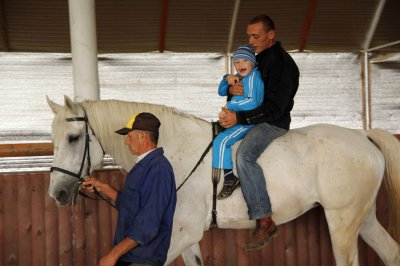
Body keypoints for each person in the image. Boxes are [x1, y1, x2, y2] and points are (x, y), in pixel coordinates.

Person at [219, 15, 299, 251]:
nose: (251, 40)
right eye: (249, 36)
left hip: (272, 122)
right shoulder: (255, 60)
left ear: (271, 34)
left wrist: (239, 117)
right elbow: (242, 93)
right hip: (250, 118)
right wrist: (232, 90)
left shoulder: (282, 64)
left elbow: (276, 108)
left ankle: (264, 218)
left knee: (244, 156)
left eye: (256, 36)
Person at [81, 112, 177, 266]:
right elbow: (130, 206)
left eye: (129, 136)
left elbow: (148, 222)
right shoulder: (146, 165)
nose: (126, 142)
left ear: (143, 137)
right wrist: (103, 187)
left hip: (142, 259)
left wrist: (113, 255)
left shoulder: (158, 169)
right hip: (132, 258)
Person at [212, 44, 264, 200]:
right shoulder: (242, 76)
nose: (240, 65)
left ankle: (229, 178)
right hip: (238, 117)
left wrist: (230, 105)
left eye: (244, 61)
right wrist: (226, 78)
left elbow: (254, 102)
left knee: (221, 141)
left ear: (252, 62)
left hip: (248, 121)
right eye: (237, 62)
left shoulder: (255, 77)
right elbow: (221, 91)